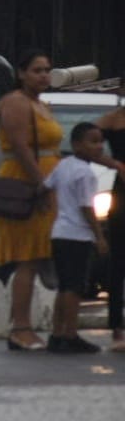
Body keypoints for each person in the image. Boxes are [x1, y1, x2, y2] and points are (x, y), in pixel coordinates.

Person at [0, 48, 61, 352]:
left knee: (39, 255)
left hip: (47, 182)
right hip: (27, 184)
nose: (43, 75)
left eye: (46, 70)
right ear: (21, 73)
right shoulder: (16, 102)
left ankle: (27, 324)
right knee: (27, 258)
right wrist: (41, 183)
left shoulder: (42, 104)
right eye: (36, 70)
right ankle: (19, 328)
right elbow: (21, 146)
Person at [41, 121, 109, 353]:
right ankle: (70, 334)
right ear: (77, 144)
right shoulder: (86, 173)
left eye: (101, 141)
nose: (99, 147)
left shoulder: (63, 165)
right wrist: (99, 236)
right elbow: (87, 208)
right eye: (93, 141)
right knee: (75, 287)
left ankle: (57, 333)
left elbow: (46, 187)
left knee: (63, 286)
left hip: (59, 233)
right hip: (78, 236)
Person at [92, 102, 125, 349]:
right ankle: (116, 324)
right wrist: (114, 164)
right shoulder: (112, 120)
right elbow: (85, 143)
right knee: (118, 260)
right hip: (122, 193)